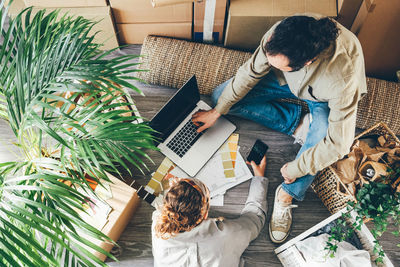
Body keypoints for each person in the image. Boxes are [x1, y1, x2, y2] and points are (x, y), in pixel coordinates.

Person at [192, 15, 367, 243]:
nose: (267, 61)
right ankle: (298, 123)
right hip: (286, 81)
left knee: (323, 144)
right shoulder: (281, 35)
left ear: (307, 62)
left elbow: (339, 144)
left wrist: (296, 168)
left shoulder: (342, 79)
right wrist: (217, 111)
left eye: (277, 62)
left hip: (323, 99)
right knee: (219, 99)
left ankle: (288, 194)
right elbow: (250, 72)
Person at [152, 156, 269, 267]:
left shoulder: (158, 226)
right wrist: (259, 178)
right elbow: (255, 219)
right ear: (205, 215)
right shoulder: (227, 234)